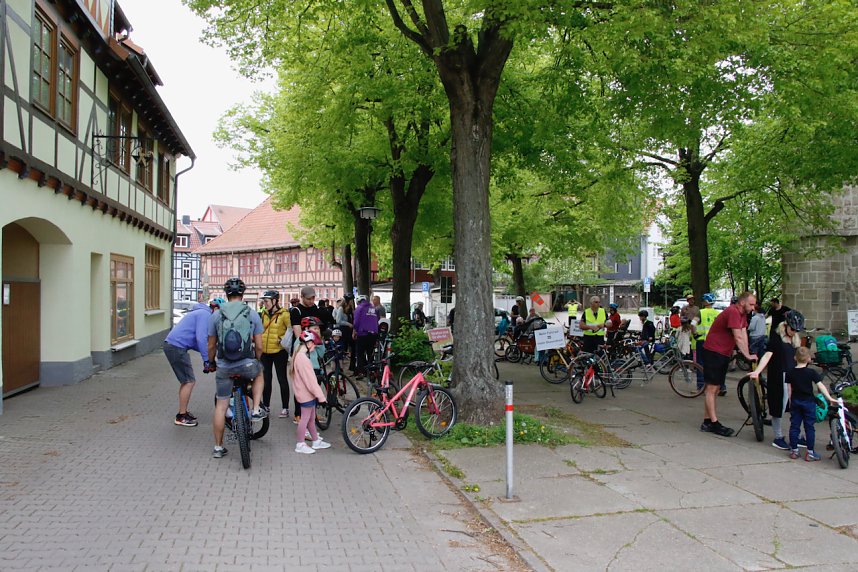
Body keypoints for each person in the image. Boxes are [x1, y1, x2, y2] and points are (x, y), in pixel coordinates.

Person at [207, 278, 267, 459]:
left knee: (221, 406)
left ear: (226, 294)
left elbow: (211, 345)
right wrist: (256, 360)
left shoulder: (216, 315)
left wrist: (211, 362)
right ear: (243, 294)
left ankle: (218, 448)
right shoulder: (252, 314)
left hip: (224, 367)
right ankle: (255, 409)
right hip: (246, 363)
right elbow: (259, 346)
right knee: (259, 372)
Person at [699, 291, 757, 438]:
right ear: (742, 302)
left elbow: (743, 333)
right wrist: (747, 355)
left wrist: (748, 352)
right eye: (751, 304)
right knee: (711, 388)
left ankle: (707, 421)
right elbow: (737, 337)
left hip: (723, 353)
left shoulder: (742, 315)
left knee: (716, 388)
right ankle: (713, 423)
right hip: (714, 351)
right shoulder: (733, 312)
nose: (753, 307)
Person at [748, 309, 805, 450]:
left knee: (796, 406)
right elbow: (767, 355)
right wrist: (757, 371)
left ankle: (796, 435)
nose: (794, 332)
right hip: (780, 375)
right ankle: (778, 437)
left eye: (797, 330)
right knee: (779, 406)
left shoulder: (795, 340)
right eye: (792, 329)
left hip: (793, 376)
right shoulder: (776, 338)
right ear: (785, 325)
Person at [163, 298, 224, 427]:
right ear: (216, 309)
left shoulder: (201, 313)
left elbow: (198, 343)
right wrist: (207, 361)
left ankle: (183, 412)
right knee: (189, 381)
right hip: (176, 347)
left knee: (186, 381)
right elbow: (201, 339)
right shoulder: (205, 315)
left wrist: (211, 356)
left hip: (174, 346)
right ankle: (181, 416)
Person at [785, 346, 835, 461]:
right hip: (808, 402)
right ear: (808, 359)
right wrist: (829, 398)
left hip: (796, 401)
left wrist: (791, 401)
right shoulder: (811, 372)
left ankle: (794, 451)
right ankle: (810, 453)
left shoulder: (790, 372)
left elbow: (789, 389)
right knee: (809, 428)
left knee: (794, 427)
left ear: (795, 358)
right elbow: (821, 386)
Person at [290, 329, 330, 454]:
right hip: (306, 395)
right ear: (308, 343)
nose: (314, 346)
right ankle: (300, 443)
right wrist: (321, 397)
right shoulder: (302, 359)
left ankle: (316, 440)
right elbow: (311, 381)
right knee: (305, 419)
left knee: (311, 419)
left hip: (307, 394)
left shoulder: (299, 356)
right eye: (313, 343)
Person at [259, 290, 292, 419]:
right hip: (265, 351)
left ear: (274, 301)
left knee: (282, 379)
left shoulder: (284, 314)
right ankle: (266, 406)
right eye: (264, 301)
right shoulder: (263, 313)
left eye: (267, 301)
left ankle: (285, 408)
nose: (265, 303)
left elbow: (290, 330)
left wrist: (283, 340)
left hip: (279, 351)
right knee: (266, 380)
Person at [695, 293, 721, 389]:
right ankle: (720, 386)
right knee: (715, 363)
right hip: (714, 342)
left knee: (700, 363)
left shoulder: (700, 312)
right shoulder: (718, 314)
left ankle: (701, 385)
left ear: (705, 302)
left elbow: (693, 324)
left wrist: (695, 334)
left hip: (702, 340)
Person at [352, 294, 379, 378]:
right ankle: (371, 371)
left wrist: (355, 331)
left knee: (360, 353)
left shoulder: (359, 308)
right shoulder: (373, 308)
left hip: (362, 333)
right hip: (373, 334)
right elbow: (377, 320)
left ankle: (361, 372)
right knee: (370, 353)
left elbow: (356, 321)